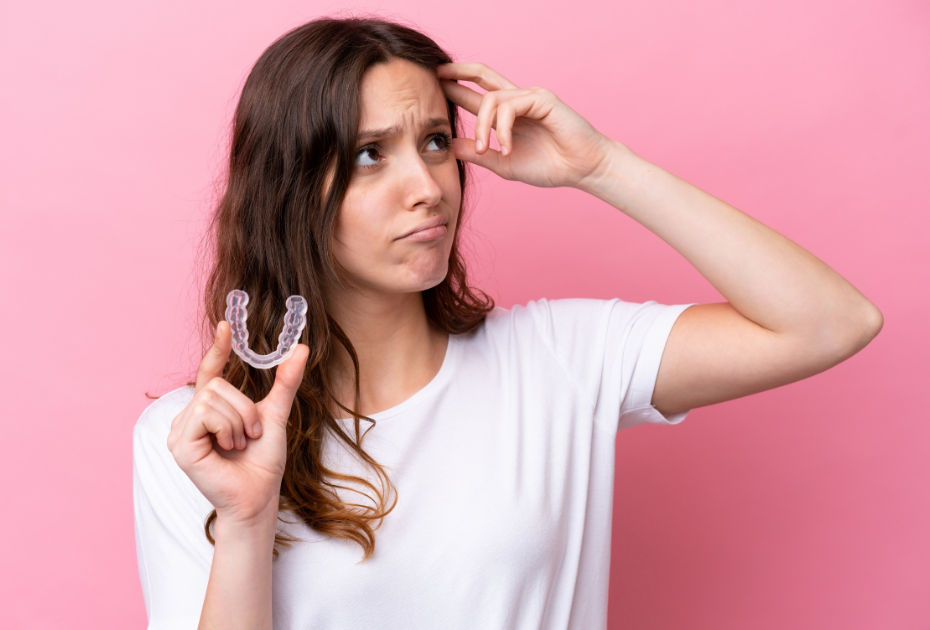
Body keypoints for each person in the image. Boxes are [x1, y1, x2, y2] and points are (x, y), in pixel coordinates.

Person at [132, 15, 883, 630]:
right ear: (289, 190)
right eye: (369, 154)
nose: (427, 187)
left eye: (434, 141)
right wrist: (245, 518)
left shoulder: (559, 360)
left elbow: (830, 322)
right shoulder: (200, 442)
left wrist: (602, 167)